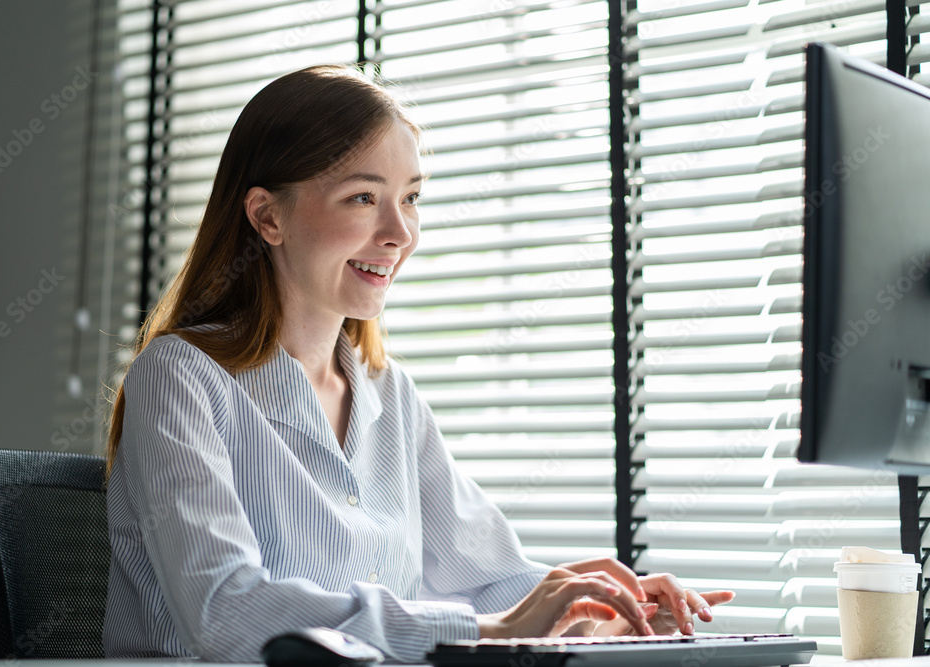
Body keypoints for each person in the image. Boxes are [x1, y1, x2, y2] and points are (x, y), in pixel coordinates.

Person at [101, 64, 734, 662]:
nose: (400, 233)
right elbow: (227, 612)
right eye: (362, 198)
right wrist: (492, 629)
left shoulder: (388, 392)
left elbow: (488, 581)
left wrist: (595, 610)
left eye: (411, 198)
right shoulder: (181, 377)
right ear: (268, 216)